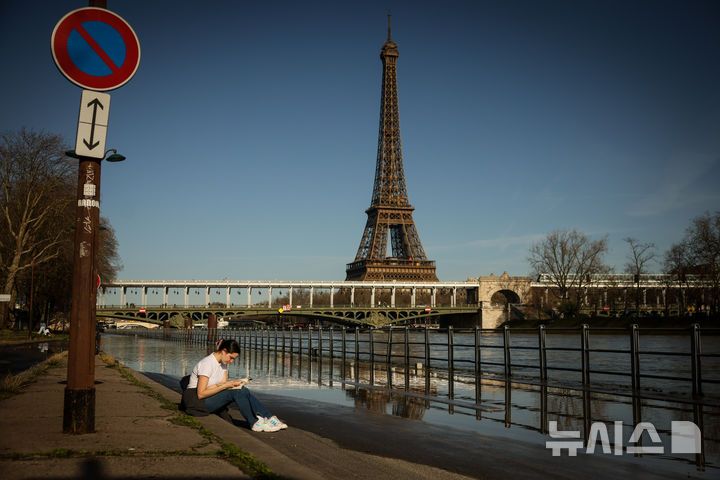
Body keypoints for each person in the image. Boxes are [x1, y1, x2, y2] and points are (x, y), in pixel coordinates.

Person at [181, 339, 287, 432]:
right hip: (196, 402)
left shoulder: (223, 363)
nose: (231, 361)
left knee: (242, 389)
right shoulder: (207, 364)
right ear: (224, 351)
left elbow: (220, 385)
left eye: (233, 359)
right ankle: (254, 423)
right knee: (238, 391)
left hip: (209, 398)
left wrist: (233, 384)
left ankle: (268, 418)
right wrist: (226, 386)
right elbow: (201, 394)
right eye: (231, 358)